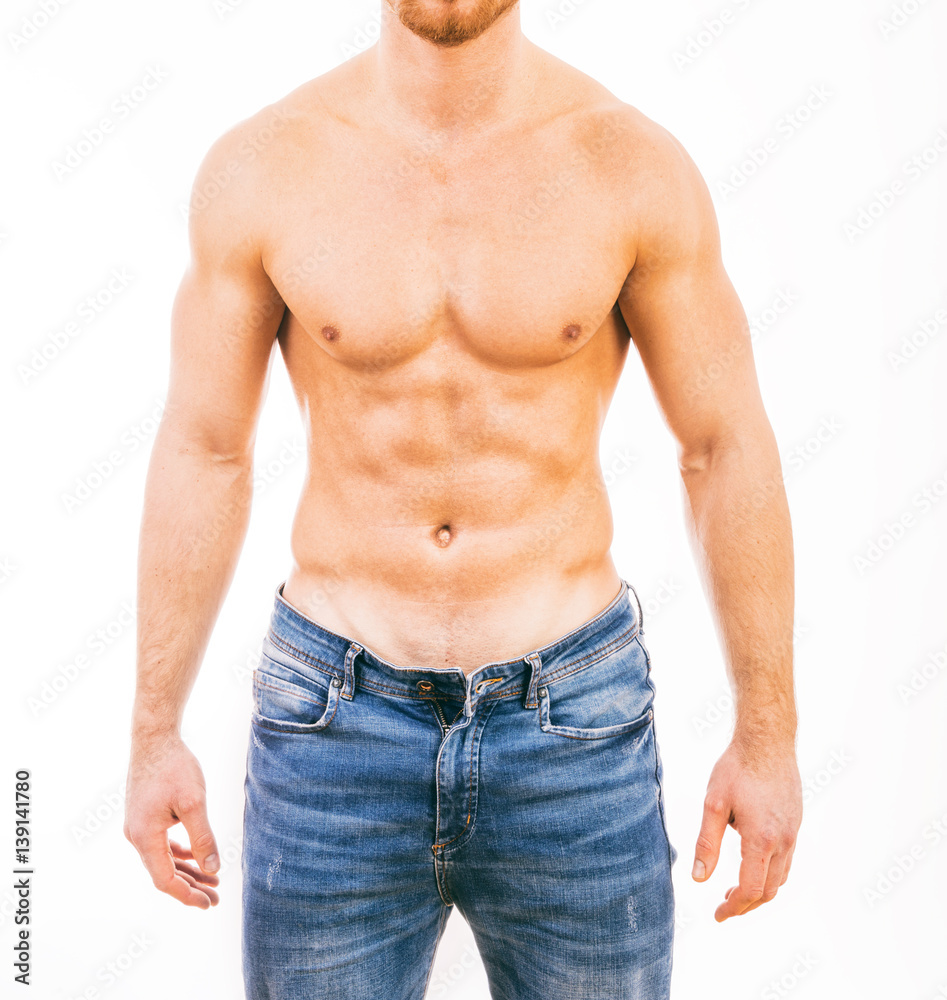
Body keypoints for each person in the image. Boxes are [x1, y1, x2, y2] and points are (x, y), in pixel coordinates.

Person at [123, 1, 803, 996]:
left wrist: (767, 735)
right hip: (331, 731)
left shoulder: (626, 165)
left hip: (573, 724)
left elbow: (722, 444)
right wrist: (150, 732)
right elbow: (205, 448)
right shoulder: (265, 167)